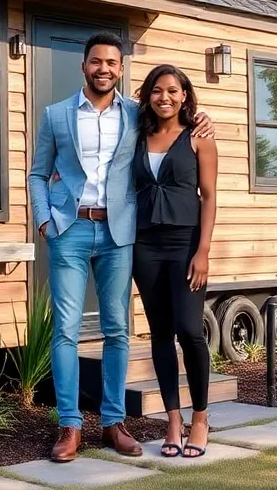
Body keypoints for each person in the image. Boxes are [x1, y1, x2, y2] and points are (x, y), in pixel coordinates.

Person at [28, 33, 213, 463]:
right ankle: (70, 425)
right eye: (97, 62)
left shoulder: (135, 113)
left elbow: (174, 117)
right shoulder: (56, 115)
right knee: (66, 330)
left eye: (112, 63)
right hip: (69, 230)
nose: (104, 69)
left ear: (121, 69)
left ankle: (113, 423)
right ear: (84, 66)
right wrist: (43, 219)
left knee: (117, 329)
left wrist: (205, 118)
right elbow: (38, 173)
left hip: (119, 233)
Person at [132, 64, 217, 459]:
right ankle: (172, 419)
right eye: (156, 90)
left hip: (186, 244)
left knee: (189, 330)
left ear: (184, 96)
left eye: (171, 90)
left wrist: (203, 251)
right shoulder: (137, 134)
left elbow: (209, 197)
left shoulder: (199, 137)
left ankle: (200, 418)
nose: (163, 97)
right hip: (144, 244)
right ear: (147, 95)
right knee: (161, 333)